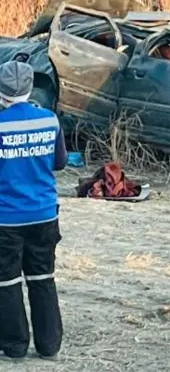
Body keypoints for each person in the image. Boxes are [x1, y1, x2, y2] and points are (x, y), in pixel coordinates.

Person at [0, 61, 66, 362]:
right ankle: (49, 345)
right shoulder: (49, 120)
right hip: (43, 214)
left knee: (7, 282)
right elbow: (60, 162)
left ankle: (14, 347)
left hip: (6, 218)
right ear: (29, 88)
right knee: (43, 278)